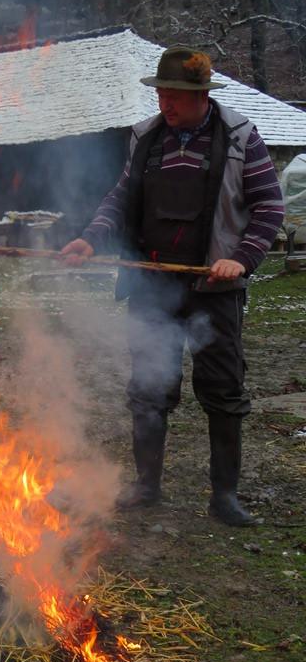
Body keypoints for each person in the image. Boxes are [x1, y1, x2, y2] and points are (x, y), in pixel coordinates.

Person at [61, 45, 284, 527]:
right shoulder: (147, 138)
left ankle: (224, 496)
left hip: (214, 288)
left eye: (178, 96)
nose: (168, 103)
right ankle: (146, 486)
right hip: (150, 284)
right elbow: (120, 199)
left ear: (202, 95)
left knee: (223, 391)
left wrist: (240, 261)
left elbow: (270, 209)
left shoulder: (241, 137)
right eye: (163, 93)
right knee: (148, 389)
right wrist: (90, 238)